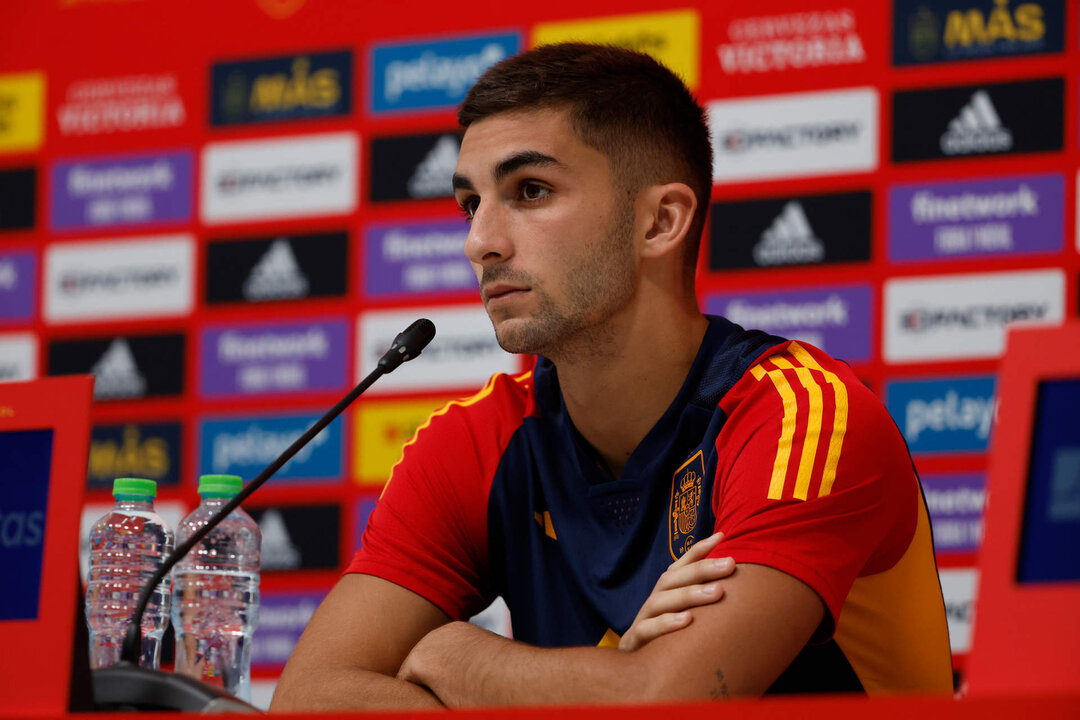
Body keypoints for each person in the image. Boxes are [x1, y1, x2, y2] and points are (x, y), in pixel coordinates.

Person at [270, 43, 953, 710]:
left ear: (660, 221)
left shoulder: (801, 414)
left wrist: (452, 658)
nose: (480, 241)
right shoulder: (476, 441)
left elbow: (673, 698)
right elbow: (308, 698)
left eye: (530, 191)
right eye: (470, 203)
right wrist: (605, 678)